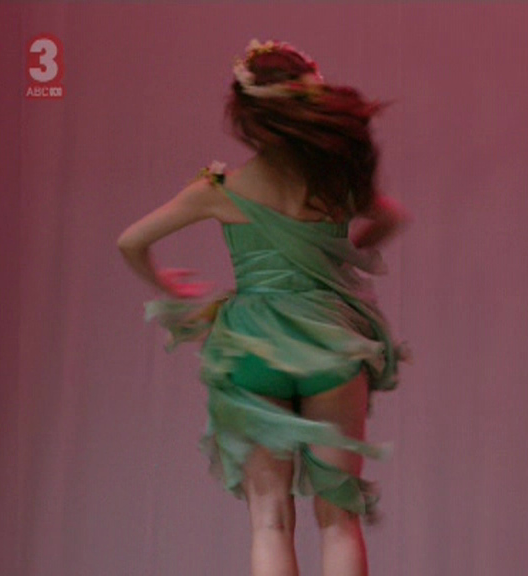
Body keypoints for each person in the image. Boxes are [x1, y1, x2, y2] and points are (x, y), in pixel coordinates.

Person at [117, 39, 409, 576]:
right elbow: (392, 217)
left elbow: (130, 241)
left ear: (248, 114)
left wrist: (167, 285)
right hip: (329, 340)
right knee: (338, 519)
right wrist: (342, 252)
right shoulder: (336, 181)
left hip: (253, 347)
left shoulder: (220, 189)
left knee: (270, 521)